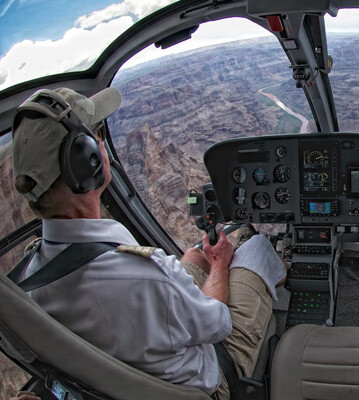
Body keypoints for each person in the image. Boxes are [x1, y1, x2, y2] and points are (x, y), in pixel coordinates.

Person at [11, 87, 286, 399]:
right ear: (86, 162)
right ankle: (280, 284)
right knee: (257, 248)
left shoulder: (25, 284)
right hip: (212, 378)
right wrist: (221, 266)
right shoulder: (141, 273)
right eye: (98, 134)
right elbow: (219, 324)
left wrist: (207, 268)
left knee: (195, 255)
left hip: (130, 376)